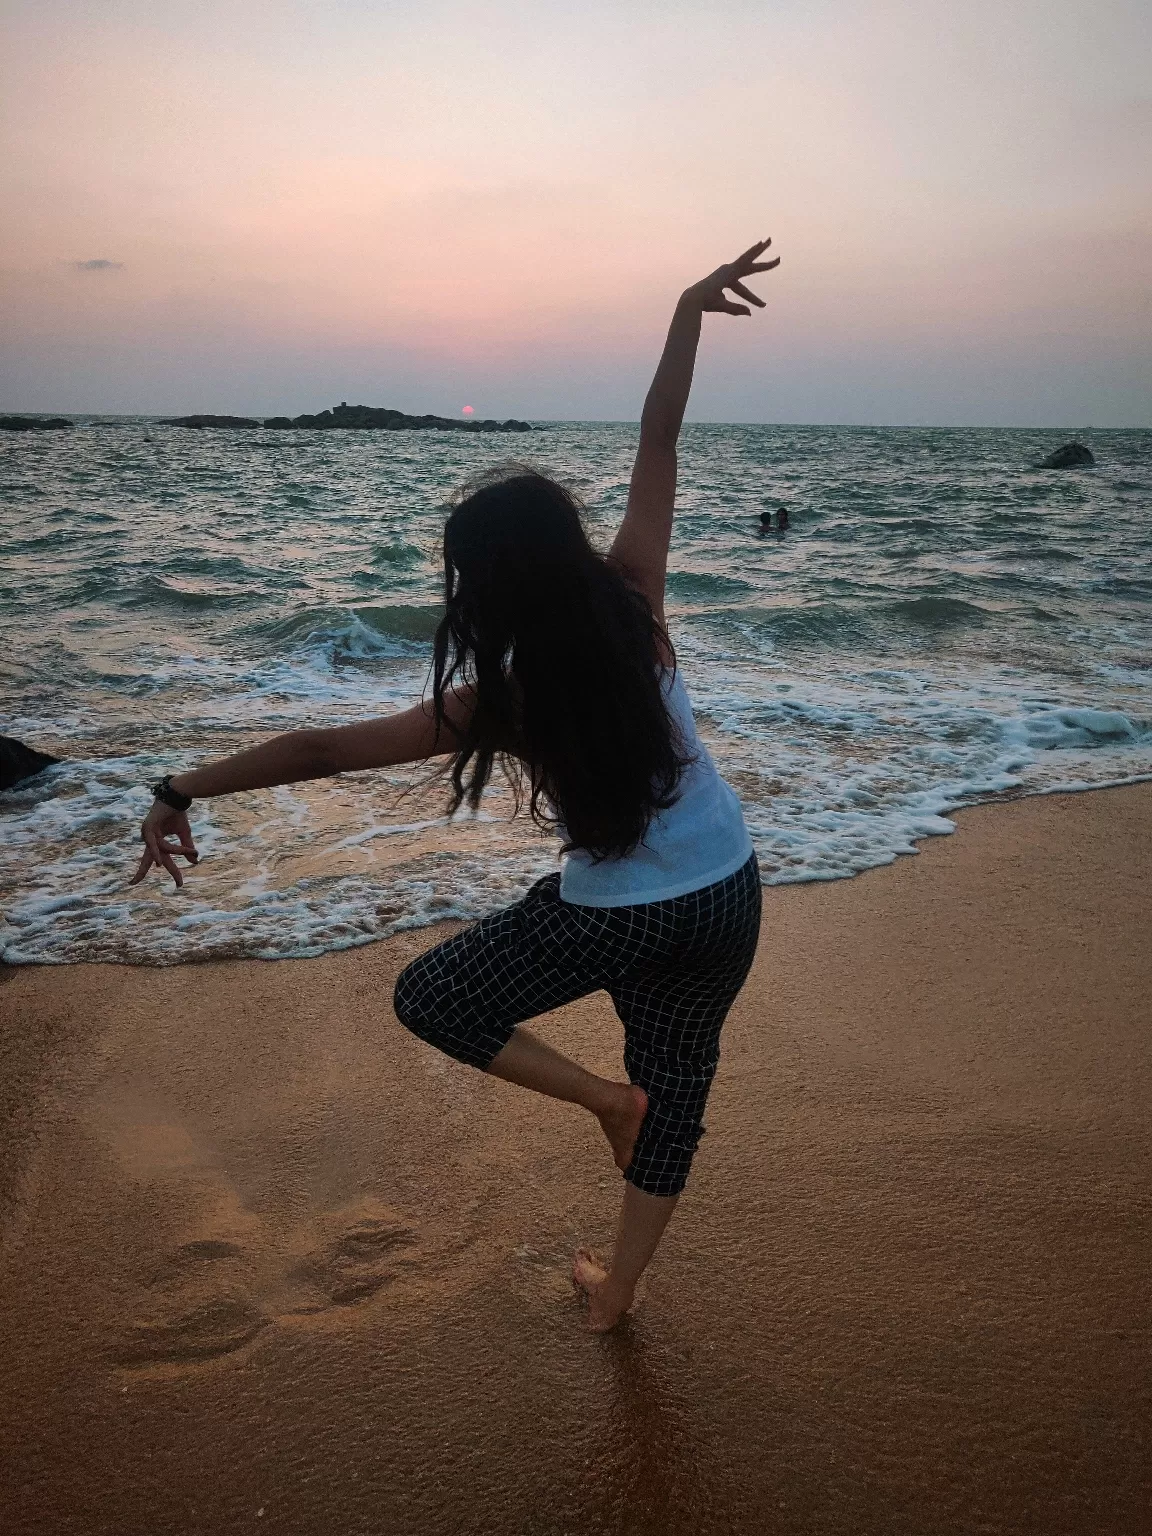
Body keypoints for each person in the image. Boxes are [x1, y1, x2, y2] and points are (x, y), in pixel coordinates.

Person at [130, 236, 780, 1332]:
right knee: (682, 1088)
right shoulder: (636, 600)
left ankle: (600, 1103)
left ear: (486, 585)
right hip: (728, 891)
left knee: (434, 998)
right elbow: (659, 435)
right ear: (568, 548)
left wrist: (181, 786)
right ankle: (615, 1290)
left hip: (616, 915)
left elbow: (323, 750)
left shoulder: (501, 703)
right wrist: (683, 312)